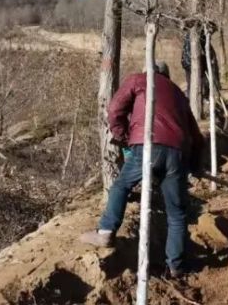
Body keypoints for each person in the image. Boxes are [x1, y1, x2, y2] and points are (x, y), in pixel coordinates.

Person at [79, 62, 204, 277]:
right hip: (178, 152)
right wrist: (194, 164)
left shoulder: (139, 80)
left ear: (149, 71)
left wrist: (124, 136)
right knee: (176, 214)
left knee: (121, 186)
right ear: (166, 75)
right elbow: (197, 136)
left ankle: (106, 231)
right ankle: (175, 266)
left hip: (148, 144)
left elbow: (115, 109)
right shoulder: (177, 93)